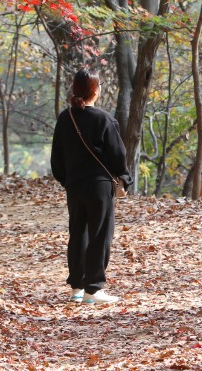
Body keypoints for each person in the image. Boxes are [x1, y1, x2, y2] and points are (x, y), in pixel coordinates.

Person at [51, 67, 132, 305]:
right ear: (95, 90)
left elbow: (57, 156)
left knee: (78, 233)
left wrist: (66, 179)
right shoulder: (104, 119)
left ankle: (76, 287)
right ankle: (93, 289)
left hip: (74, 185)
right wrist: (124, 178)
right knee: (100, 235)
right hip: (99, 186)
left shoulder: (66, 118)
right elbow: (118, 155)